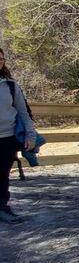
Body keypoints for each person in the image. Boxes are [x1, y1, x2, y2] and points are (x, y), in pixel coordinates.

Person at [0, 47, 36, 223]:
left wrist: (31, 135)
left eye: (1, 59)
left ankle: (2, 208)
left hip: (7, 138)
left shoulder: (10, 86)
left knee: (2, 175)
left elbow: (23, 112)